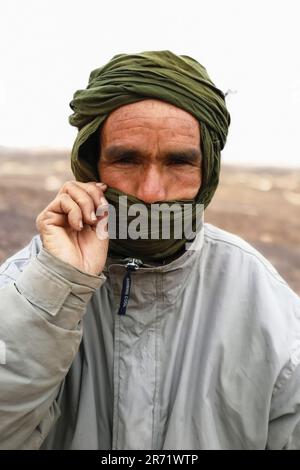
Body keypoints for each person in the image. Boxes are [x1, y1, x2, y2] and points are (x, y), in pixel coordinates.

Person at [0, 50, 299, 450]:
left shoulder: (265, 302)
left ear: (206, 171)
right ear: (92, 167)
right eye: (126, 159)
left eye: (178, 162)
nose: (152, 193)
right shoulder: (26, 283)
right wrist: (59, 287)